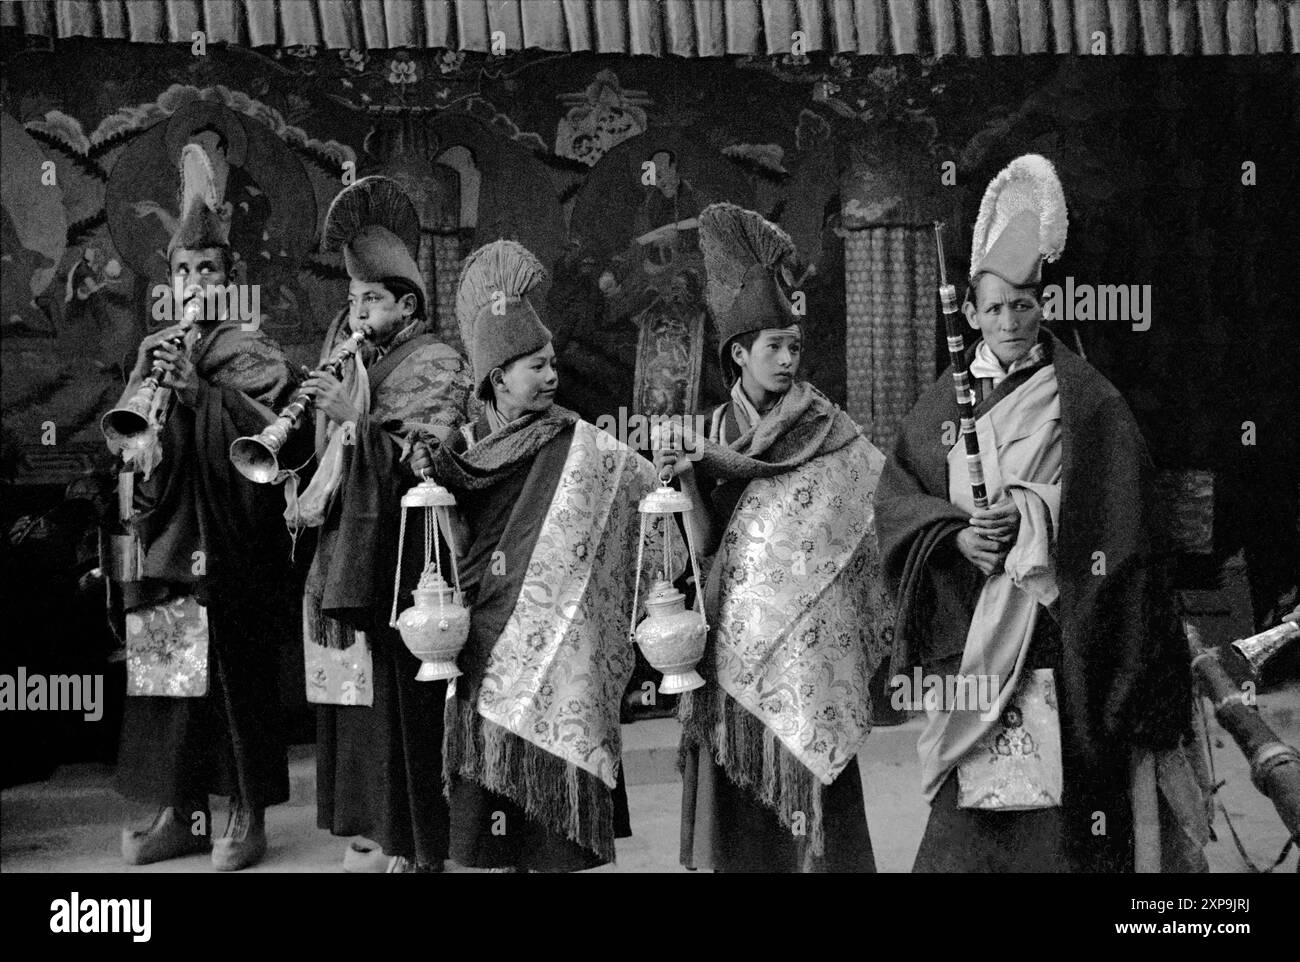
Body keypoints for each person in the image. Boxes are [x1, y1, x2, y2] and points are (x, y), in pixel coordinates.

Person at [873, 154, 1198, 872]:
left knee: (1065, 829)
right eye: (995, 307)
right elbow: (897, 501)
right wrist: (955, 537)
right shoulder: (938, 406)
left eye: (1025, 304)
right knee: (967, 834)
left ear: (1044, 305)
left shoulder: (1087, 399)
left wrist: (1034, 517)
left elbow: (1123, 523)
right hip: (972, 634)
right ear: (970, 313)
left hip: (1055, 634)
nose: (1011, 321)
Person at [410, 240, 680, 871]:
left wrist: (664, 476)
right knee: (490, 796)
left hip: (565, 645)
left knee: (554, 817)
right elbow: (446, 537)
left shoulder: (578, 441)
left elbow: (638, 492)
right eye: (535, 365)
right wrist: (429, 473)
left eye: (553, 362)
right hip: (486, 634)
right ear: (497, 375)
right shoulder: (460, 446)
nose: (552, 376)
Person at [661, 203, 892, 872]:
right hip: (732, 647)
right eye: (774, 348)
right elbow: (702, 552)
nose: (789, 359)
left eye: (794, 345)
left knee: (818, 816)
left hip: (812, 658)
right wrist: (683, 488)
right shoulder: (707, 437)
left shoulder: (828, 428)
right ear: (738, 353)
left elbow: (869, 514)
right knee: (744, 828)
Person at [106, 143, 300, 871]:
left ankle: (245, 817)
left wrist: (201, 396)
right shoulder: (155, 346)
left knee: (232, 684)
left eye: (208, 270)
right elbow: (129, 451)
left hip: (229, 547)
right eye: (184, 270)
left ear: (230, 278)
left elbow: (272, 446)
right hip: (165, 541)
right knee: (167, 690)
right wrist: (143, 439)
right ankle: (179, 814)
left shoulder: (253, 351)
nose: (194, 282)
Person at [292, 177, 471, 874]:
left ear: (408, 304)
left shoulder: (439, 362)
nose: (357, 313)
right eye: (352, 300)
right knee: (355, 703)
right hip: (347, 551)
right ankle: (370, 829)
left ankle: (412, 840)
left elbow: (430, 457)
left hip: (406, 558)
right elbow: (324, 462)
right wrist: (330, 418)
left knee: (403, 705)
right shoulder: (357, 362)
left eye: (371, 299)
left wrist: (356, 422)